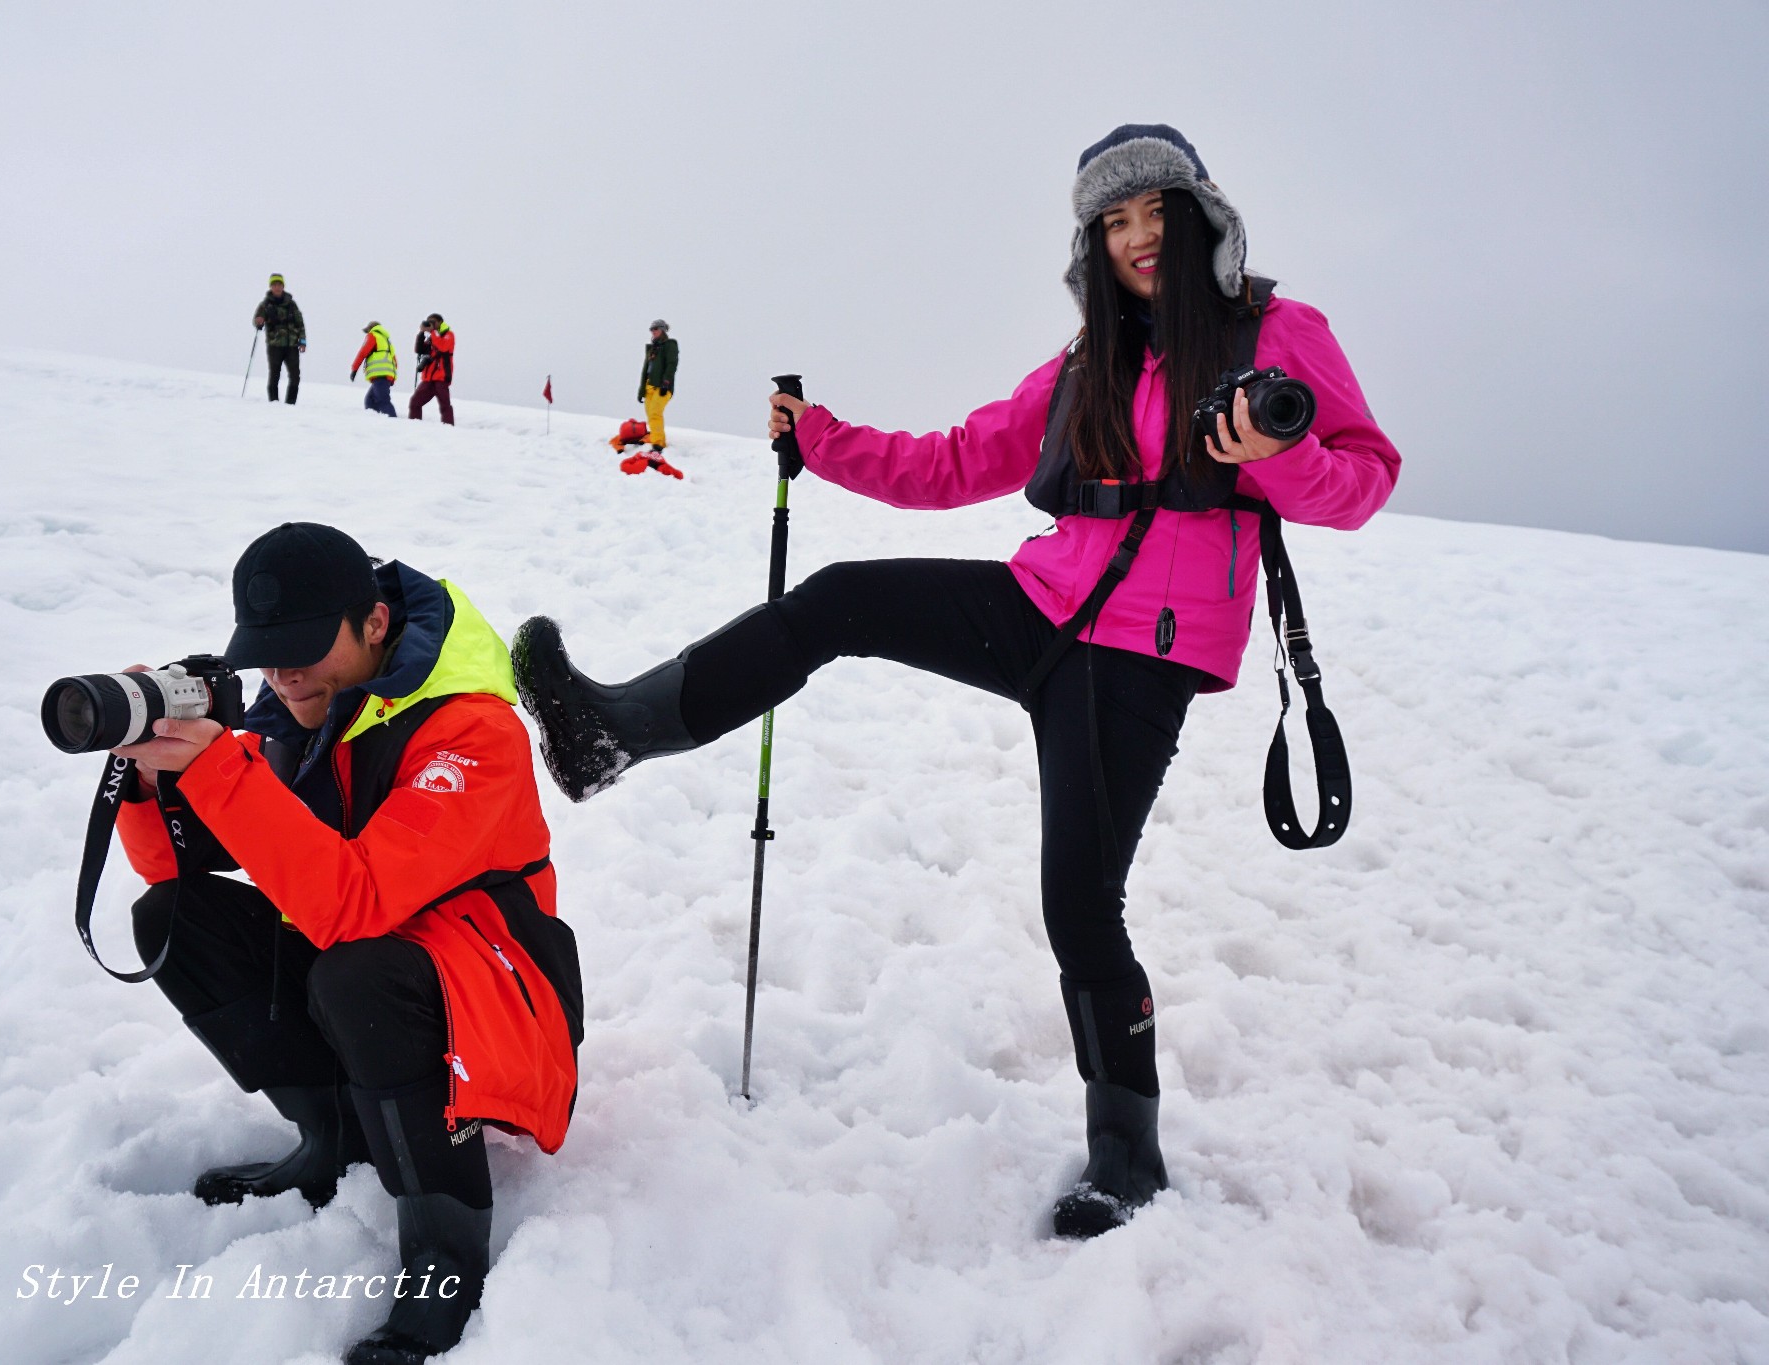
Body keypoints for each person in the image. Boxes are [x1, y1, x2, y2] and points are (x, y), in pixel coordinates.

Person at [511, 125, 1399, 1240]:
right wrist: (821, 440)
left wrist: (1279, 458)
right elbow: (952, 464)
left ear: (1196, 217)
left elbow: (1362, 482)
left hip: (1144, 655)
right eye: (1110, 223)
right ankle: (614, 731)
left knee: (1079, 904)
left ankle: (1125, 1153)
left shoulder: (1274, 332)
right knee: (838, 599)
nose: (1133, 240)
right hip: (1037, 606)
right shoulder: (1087, 359)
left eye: (1151, 215)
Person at [111, 522, 581, 1362]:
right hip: (377, 973)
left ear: (372, 623)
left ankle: (445, 1248)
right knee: (173, 920)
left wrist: (221, 771)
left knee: (357, 967)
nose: (283, 673)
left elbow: (356, 900)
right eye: (265, 652)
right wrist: (150, 783)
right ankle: (334, 1137)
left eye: (301, 647)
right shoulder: (296, 717)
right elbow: (168, 870)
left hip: (501, 1004)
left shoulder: (474, 731)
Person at [253, 274, 307, 404]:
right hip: (274, 345)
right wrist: (258, 322)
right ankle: (274, 403)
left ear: (283, 286)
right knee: (274, 374)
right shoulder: (265, 305)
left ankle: (290, 404)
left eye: (279, 285)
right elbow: (258, 321)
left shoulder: (292, 304)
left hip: (292, 345)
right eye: (274, 285)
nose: (277, 287)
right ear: (271, 287)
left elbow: (300, 323)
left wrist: (302, 341)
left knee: (295, 376)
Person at [639, 320, 678, 452]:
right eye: (651, 329)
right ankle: (655, 437)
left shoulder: (670, 345)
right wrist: (641, 391)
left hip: (662, 387)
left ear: (662, 330)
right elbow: (645, 370)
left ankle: (658, 444)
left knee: (655, 413)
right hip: (649, 386)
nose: (653, 331)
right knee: (650, 415)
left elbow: (672, 364)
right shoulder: (651, 349)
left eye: (655, 328)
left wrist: (666, 383)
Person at [408, 314, 455, 424]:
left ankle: (449, 428)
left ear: (440, 322)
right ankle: (415, 425)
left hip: (442, 376)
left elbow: (443, 347)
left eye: (433, 321)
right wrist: (421, 333)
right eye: (429, 321)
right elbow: (419, 349)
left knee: (444, 404)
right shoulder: (431, 337)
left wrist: (433, 333)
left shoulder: (449, 335)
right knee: (415, 402)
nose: (431, 324)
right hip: (428, 378)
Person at [351, 321, 400, 417]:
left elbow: (363, 352)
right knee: (370, 401)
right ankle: (374, 422)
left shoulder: (373, 335)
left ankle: (393, 422)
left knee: (383, 400)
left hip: (380, 373)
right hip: (387, 374)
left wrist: (354, 369)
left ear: (371, 328)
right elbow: (395, 361)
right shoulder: (387, 341)